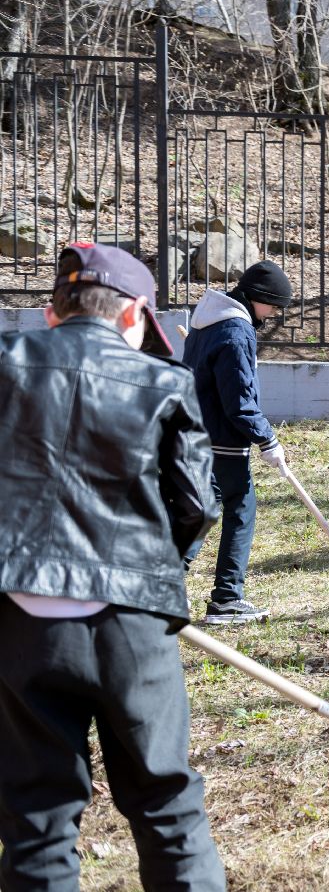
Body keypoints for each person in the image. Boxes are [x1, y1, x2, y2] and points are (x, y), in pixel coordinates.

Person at [0, 244, 226, 890]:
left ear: (52, 314)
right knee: (168, 806)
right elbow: (198, 503)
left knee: (35, 819)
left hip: (20, 623)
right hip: (132, 624)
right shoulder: (162, 382)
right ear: (133, 316)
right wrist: (157, 574)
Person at [183, 260, 294, 625]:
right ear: (257, 297)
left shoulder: (208, 321)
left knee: (200, 513)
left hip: (198, 434)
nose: (275, 313)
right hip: (221, 443)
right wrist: (267, 439)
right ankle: (225, 599)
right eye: (274, 305)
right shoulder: (235, 331)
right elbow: (240, 402)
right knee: (237, 510)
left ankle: (161, 589)